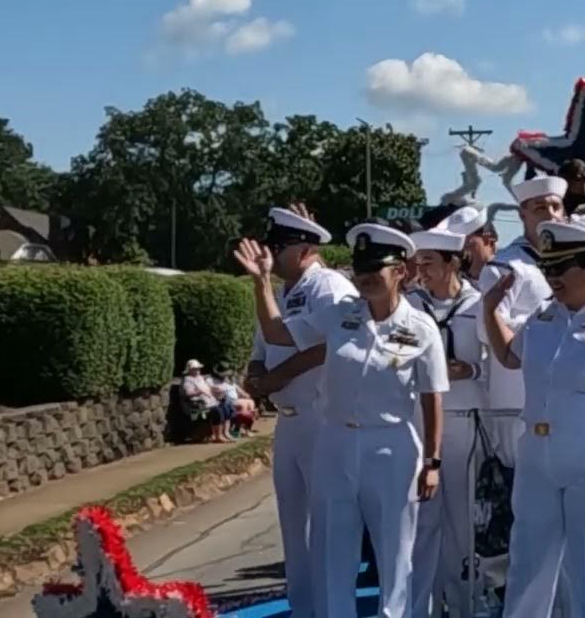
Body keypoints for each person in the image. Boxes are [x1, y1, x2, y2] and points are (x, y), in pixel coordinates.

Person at [235, 224, 448, 618]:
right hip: (334, 443)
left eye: (375, 269)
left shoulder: (421, 329)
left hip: (391, 446)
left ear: (400, 270)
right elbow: (278, 333)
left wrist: (433, 462)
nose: (365, 277)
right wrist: (262, 282)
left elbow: (434, 398)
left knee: (394, 554)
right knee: (334, 550)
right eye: (360, 268)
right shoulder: (339, 315)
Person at [481, 219, 585, 618]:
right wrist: (489, 311)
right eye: (547, 268)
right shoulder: (542, 319)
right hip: (537, 457)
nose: (551, 278)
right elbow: (508, 356)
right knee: (528, 563)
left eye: (560, 269)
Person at [239, 206, 357, 618]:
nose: (270, 254)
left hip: (321, 418)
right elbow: (263, 344)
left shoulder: (329, 287)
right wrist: (256, 376)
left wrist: (277, 378)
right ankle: (304, 608)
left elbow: (327, 347)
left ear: (305, 248)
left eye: (278, 247)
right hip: (288, 422)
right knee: (295, 526)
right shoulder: (282, 291)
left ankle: (330, 609)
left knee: (326, 527)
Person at [406, 227, 487, 618]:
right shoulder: (409, 306)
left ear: (453, 262)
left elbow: (496, 363)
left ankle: (463, 606)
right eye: (418, 263)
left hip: (464, 422)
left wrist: (468, 368)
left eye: (430, 263)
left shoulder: (480, 304)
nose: (421, 271)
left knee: (462, 527)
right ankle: (422, 609)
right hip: (418, 423)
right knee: (421, 525)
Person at [476, 176, 567, 469]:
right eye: (540, 207)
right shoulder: (505, 268)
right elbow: (486, 329)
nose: (550, 214)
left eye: (556, 206)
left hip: (563, 397)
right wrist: (545, 326)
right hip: (517, 400)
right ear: (522, 214)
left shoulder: (572, 264)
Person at [435, 204, 498, 289]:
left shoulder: (508, 277)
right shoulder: (451, 286)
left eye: (467, 245)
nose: (461, 253)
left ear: (487, 240)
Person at [181, 359, 232, 443]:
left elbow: (208, 388)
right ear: (190, 370)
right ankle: (218, 436)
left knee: (225, 407)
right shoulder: (188, 380)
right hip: (199, 403)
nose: (197, 370)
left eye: (198, 368)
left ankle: (221, 434)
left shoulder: (201, 378)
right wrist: (199, 392)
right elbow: (189, 393)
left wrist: (215, 390)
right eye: (195, 369)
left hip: (209, 400)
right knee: (217, 410)